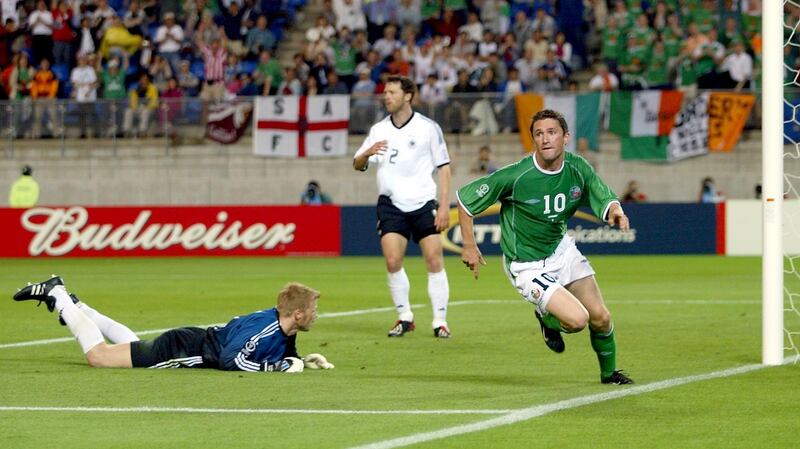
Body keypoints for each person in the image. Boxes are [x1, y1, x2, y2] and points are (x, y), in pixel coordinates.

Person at [456, 109, 634, 385]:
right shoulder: (516, 175)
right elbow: (466, 202)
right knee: (577, 321)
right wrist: (469, 245)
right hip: (526, 264)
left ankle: (609, 374)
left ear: (566, 137)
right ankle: (547, 319)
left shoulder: (578, 167)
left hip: (561, 251)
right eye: (538, 134)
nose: (545, 139)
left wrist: (615, 209)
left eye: (552, 132)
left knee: (600, 317)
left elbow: (601, 192)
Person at [12, 276, 335, 373]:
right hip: (183, 348)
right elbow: (230, 360)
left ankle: (80, 307)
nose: (316, 313)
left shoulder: (280, 325)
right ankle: (59, 297)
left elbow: (279, 350)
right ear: (296, 314)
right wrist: (275, 369)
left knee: (132, 345)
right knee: (99, 357)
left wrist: (302, 360)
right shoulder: (265, 328)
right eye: (312, 308)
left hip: (189, 340)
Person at [352, 75, 453, 339]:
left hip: (423, 203)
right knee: (393, 260)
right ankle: (405, 316)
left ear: (408, 96)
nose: (387, 96)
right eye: (385, 92)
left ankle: (440, 321)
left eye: (392, 92)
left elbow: (444, 168)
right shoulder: (379, 130)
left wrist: (444, 206)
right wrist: (365, 154)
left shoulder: (428, 127)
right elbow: (358, 164)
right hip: (391, 204)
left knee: (433, 259)